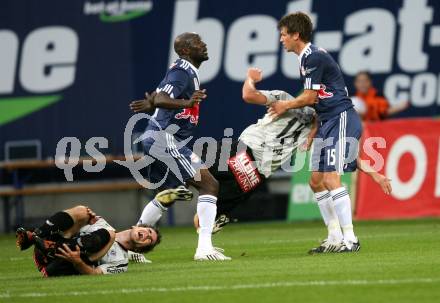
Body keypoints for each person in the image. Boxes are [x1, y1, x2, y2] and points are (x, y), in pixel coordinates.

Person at [129, 32, 231, 261]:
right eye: (197, 43)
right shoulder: (182, 70)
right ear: (185, 50)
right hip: (164, 138)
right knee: (210, 185)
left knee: (169, 194)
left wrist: (151, 103)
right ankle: (204, 248)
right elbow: (163, 97)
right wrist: (185, 102)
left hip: (154, 137)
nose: (203, 45)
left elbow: (158, 96)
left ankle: (132, 248)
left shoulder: (181, 69)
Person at [270, 12, 363, 253]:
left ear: (295, 35)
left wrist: (285, 105)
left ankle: (350, 239)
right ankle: (333, 237)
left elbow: (310, 97)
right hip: (327, 121)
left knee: (331, 179)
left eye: (283, 35)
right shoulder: (306, 58)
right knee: (315, 182)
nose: (281, 40)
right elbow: (317, 101)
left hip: (341, 117)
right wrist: (314, 131)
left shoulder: (312, 58)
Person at [15, 205, 160, 276]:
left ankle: (47, 245)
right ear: (136, 226)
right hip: (44, 249)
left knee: (109, 235)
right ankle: (35, 236)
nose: (146, 235)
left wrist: (78, 262)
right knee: (82, 210)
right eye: (148, 231)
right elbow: (70, 228)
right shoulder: (101, 222)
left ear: (139, 249)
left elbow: (94, 273)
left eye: (149, 239)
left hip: (59, 265)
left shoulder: (122, 263)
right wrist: (84, 219)